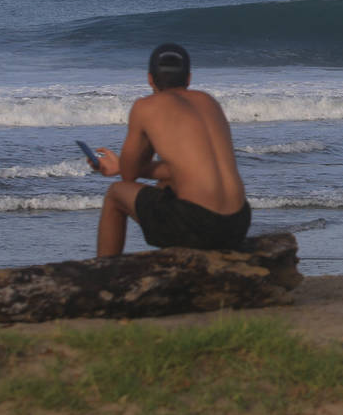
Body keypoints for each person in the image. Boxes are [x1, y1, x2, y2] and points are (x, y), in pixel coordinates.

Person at [93, 43, 250, 256]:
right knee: (165, 184)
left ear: (150, 79)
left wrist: (120, 166)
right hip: (238, 222)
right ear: (188, 78)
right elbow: (182, 168)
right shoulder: (208, 102)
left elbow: (129, 176)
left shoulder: (145, 106)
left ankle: (104, 274)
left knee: (115, 194)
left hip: (198, 224)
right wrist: (121, 165)